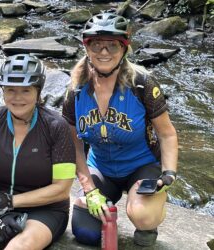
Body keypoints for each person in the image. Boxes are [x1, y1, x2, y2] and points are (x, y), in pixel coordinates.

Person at [62, 13, 178, 247]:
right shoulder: (75, 88)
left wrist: (169, 173)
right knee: (87, 234)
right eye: (97, 45)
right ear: (87, 47)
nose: (104, 52)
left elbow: (167, 134)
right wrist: (88, 188)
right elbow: (72, 142)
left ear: (124, 48)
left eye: (112, 45)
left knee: (142, 215)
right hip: (101, 167)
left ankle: (150, 214)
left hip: (141, 164)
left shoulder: (142, 83)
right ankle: (102, 200)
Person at [0, 54, 76, 250]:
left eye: (25, 90)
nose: (17, 98)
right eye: (10, 90)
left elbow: (62, 188)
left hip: (44, 209)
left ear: (38, 92)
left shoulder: (57, 127)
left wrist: (11, 201)